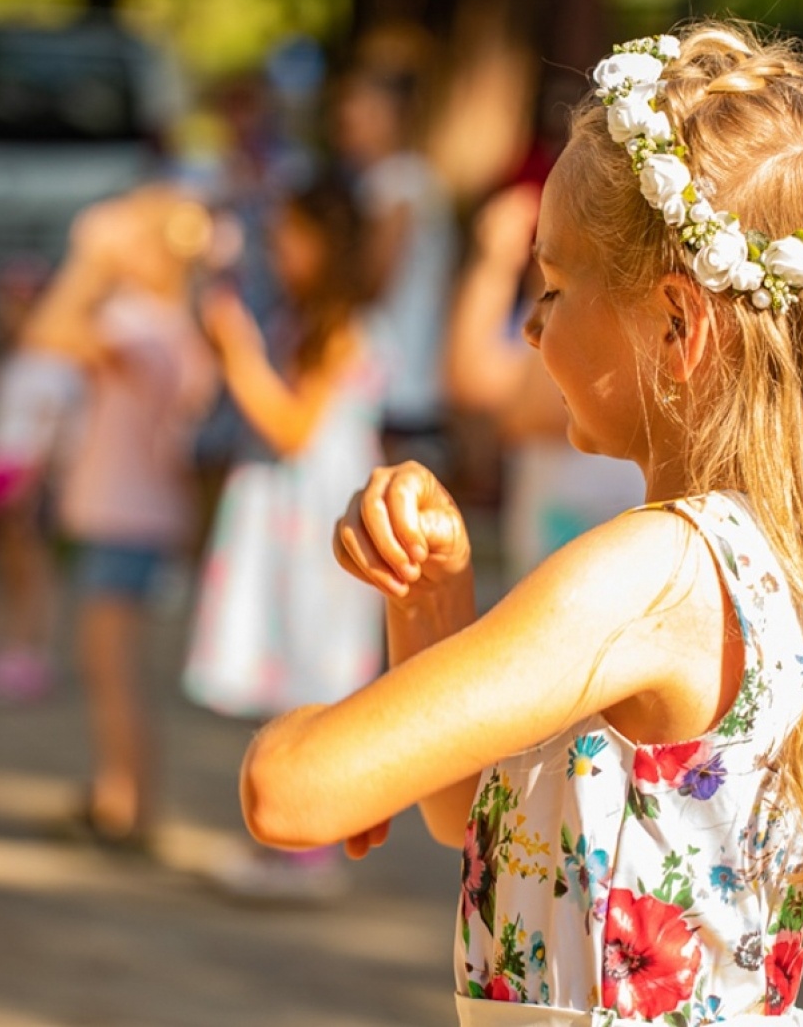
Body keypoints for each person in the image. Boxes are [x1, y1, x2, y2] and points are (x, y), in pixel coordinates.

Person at [239, 24, 803, 1025]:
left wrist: (320, 740)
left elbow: (289, 793)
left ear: (676, 325)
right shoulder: (766, 558)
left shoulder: (648, 576)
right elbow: (470, 811)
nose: (530, 328)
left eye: (554, 288)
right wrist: (431, 598)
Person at [182, 177, 383, 898]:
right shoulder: (308, 320)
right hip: (295, 515)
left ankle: (311, 844)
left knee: (316, 663)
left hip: (316, 518)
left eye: (289, 236)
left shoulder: (342, 326)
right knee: (292, 660)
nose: (278, 251)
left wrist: (237, 350)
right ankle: (287, 838)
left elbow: (295, 427)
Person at [25, 184, 218, 852]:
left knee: (111, 666)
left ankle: (131, 808)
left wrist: (88, 257)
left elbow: (46, 330)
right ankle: (117, 797)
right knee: (108, 663)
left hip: (126, 518)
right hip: (137, 515)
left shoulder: (142, 326)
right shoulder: (173, 328)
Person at [444, 182, 645, 582]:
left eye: (555, 285)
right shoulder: (561, 322)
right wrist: (494, 263)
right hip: (550, 549)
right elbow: (470, 379)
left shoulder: (613, 330)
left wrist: (502, 267)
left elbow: (526, 411)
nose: (534, 330)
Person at [0, 258, 82, 703]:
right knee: (5, 564)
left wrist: (34, 478)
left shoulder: (59, 365)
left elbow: (56, 428)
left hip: (31, 475)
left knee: (32, 566)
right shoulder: (9, 360)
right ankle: (8, 643)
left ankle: (32, 651)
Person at [333, 61, 457, 472]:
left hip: (396, 370)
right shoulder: (418, 177)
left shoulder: (393, 184)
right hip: (416, 365)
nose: (349, 119)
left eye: (364, 111)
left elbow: (374, 278)